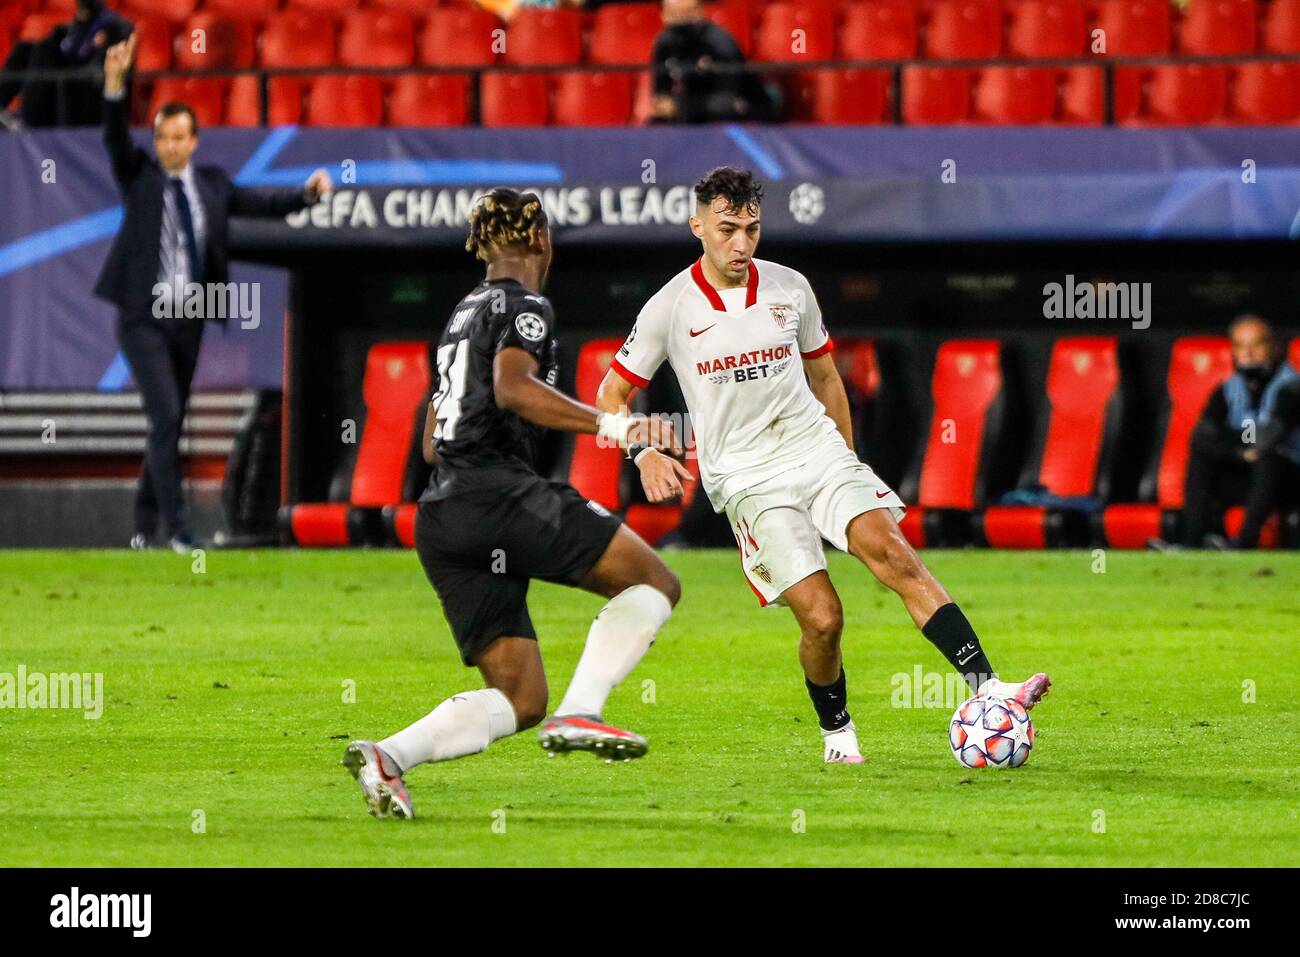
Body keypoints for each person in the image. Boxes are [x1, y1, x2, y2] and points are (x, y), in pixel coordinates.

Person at [597, 167, 1051, 764]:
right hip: (749, 479)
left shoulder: (791, 288)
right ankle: (838, 733)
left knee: (896, 556)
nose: (740, 244)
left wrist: (845, 461)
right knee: (823, 617)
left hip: (817, 451)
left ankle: (990, 688)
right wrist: (644, 448)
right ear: (698, 226)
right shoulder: (668, 309)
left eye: (751, 230)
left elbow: (825, 376)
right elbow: (609, 397)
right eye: (727, 229)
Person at [342, 188, 683, 820]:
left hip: (441, 515)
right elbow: (512, 387)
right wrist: (621, 430)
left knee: (521, 697)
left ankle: (388, 755)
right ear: (542, 240)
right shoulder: (525, 304)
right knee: (655, 583)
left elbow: (430, 441)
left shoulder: (460, 315)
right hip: (495, 494)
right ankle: (582, 712)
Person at [94, 35, 331, 552]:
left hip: (190, 314)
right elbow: (114, 141)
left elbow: (258, 203)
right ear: (155, 142)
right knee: (165, 415)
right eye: (163, 138)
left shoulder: (213, 185)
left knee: (170, 418)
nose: (171, 146)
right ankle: (177, 531)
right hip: (142, 316)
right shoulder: (140, 179)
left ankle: (141, 525)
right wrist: (114, 87)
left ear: (195, 140)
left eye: (180, 137)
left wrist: (306, 195)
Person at [1177, 315, 1300, 549]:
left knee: (1268, 459)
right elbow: (1202, 435)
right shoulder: (1227, 388)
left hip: (1287, 481)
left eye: (1257, 344)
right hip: (1246, 475)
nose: (1249, 353)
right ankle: (1190, 542)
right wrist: (1240, 451)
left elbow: (1268, 436)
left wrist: (1231, 438)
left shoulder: (1291, 386)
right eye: (1241, 346)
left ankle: (1244, 543)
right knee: (1201, 457)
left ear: (1273, 347)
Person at [0, 0, 133, 129]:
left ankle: (26, 120)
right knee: (26, 49)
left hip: (86, 103)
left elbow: (101, 73)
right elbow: (68, 50)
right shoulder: (68, 29)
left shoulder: (116, 27)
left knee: (45, 51)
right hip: (59, 94)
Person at [650, 0, 775, 124]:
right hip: (695, 111)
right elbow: (660, 95)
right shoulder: (664, 43)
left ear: (699, 12)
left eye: (686, 13)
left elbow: (726, 101)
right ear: (664, 14)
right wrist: (666, 105)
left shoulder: (720, 43)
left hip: (744, 109)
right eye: (674, 14)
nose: (680, 21)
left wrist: (679, 107)